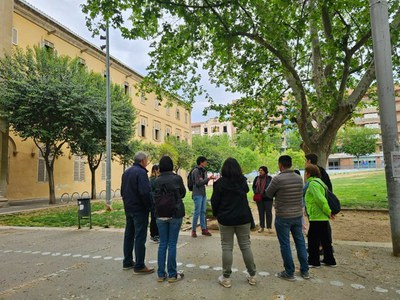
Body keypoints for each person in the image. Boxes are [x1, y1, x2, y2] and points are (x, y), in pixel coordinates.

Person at [211, 157, 257, 288]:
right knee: (245, 246)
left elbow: (215, 201)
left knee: (226, 247)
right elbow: (246, 191)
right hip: (243, 218)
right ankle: (252, 275)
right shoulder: (242, 181)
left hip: (226, 219)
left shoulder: (219, 183)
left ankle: (226, 277)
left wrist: (217, 215)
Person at [265, 155, 309, 281]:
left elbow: (268, 194)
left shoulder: (277, 179)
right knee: (300, 242)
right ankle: (305, 270)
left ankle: (289, 272)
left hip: (283, 216)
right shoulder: (298, 178)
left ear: (280, 165)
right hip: (297, 215)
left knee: (285, 244)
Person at [153, 156, 186, 283]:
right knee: (172, 244)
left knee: (162, 244)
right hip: (175, 214)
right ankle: (172, 274)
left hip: (160, 214)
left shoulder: (156, 181)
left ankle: (161, 274)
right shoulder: (177, 178)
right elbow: (182, 193)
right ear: (172, 166)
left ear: (160, 167)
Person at [121, 151, 154, 274]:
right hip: (139, 209)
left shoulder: (126, 172)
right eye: (147, 160)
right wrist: (149, 207)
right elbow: (145, 192)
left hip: (128, 207)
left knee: (129, 235)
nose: (147, 162)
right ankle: (139, 265)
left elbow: (122, 191)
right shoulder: (141, 173)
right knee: (140, 236)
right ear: (143, 161)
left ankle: (127, 261)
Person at [304, 164, 337, 268]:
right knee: (325, 239)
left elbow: (320, 199)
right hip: (321, 216)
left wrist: (328, 211)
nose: (304, 175)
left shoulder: (313, 184)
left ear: (309, 173)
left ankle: (314, 261)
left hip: (317, 216)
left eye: (305, 172)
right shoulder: (320, 182)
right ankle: (329, 260)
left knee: (313, 240)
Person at [191, 156, 215, 237]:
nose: (206, 163)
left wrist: (207, 179)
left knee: (203, 212)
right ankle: (193, 230)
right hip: (197, 194)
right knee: (197, 212)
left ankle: (204, 229)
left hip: (203, 193)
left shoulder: (203, 171)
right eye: (205, 162)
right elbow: (198, 183)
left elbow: (203, 182)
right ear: (201, 162)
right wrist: (208, 179)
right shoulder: (196, 171)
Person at [252, 166, 273, 233]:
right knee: (261, 213)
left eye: (262, 170)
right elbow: (254, 186)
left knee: (268, 212)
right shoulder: (256, 178)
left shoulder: (269, 178)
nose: (260, 171)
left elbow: (271, 187)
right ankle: (262, 227)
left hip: (267, 198)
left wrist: (264, 192)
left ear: (265, 171)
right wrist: (256, 192)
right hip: (259, 198)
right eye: (259, 170)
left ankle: (269, 227)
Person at [149, 164, 160, 243]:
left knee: (154, 218)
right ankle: (154, 235)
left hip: (153, 200)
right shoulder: (154, 179)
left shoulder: (152, 179)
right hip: (154, 201)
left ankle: (154, 234)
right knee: (154, 218)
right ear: (156, 170)